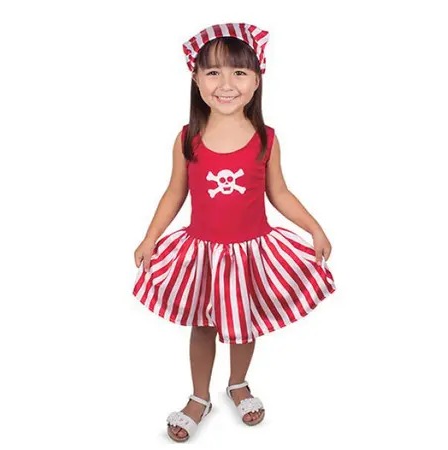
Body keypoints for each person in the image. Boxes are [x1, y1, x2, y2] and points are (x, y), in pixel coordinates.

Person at [132, 22, 337, 443]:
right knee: (203, 326)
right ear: (196, 79)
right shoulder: (188, 138)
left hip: (249, 253)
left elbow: (279, 193)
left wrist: (314, 228)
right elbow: (175, 192)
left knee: (244, 325)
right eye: (213, 72)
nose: (226, 84)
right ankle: (199, 396)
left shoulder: (265, 139)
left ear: (257, 80)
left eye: (239, 72)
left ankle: (238, 383)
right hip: (202, 255)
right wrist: (150, 236)